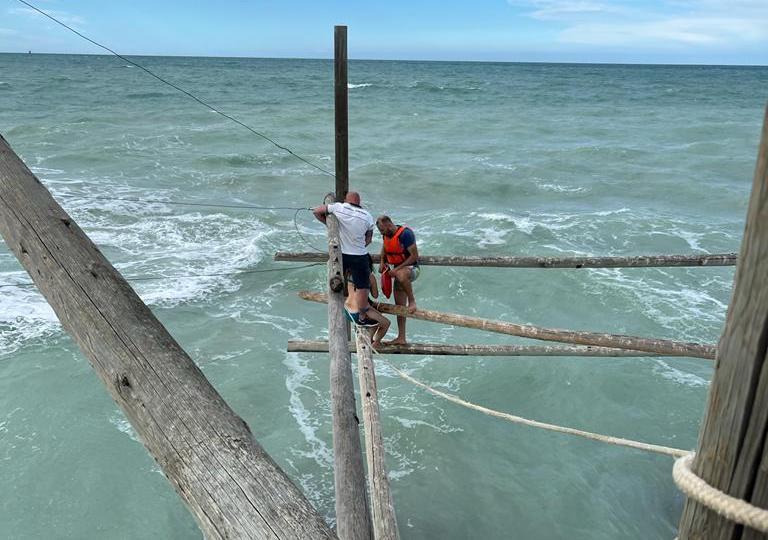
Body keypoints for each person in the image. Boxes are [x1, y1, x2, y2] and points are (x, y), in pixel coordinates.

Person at [313, 192, 390, 346]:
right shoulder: (367, 216)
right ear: (359, 202)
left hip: (342, 257)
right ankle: (365, 322)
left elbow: (317, 211)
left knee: (339, 278)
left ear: (347, 200)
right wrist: (362, 244)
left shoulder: (338, 207)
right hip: (358, 255)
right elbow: (368, 238)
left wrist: (328, 225)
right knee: (363, 287)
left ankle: (362, 328)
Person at [376, 215, 419, 345]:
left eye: (382, 230)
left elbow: (414, 256)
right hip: (397, 272)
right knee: (399, 307)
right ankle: (401, 337)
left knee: (401, 274)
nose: (381, 233)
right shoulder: (386, 235)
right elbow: (384, 248)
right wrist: (382, 262)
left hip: (412, 269)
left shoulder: (406, 234)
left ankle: (412, 301)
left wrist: (397, 269)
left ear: (389, 225)